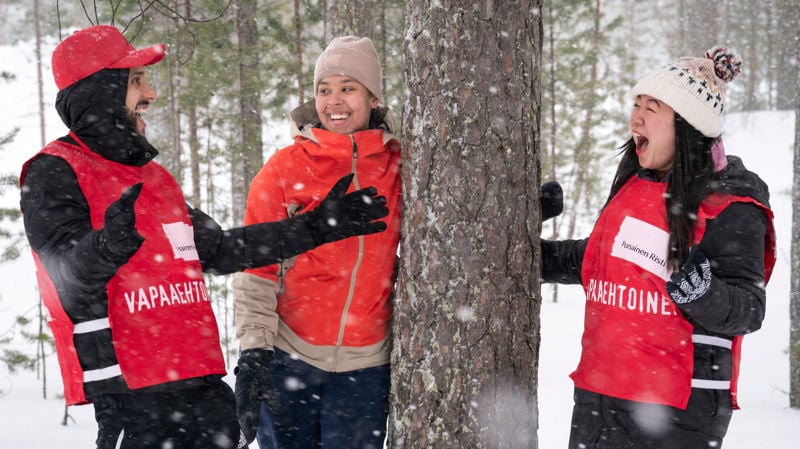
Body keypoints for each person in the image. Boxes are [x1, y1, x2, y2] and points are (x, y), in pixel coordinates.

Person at [20, 25, 389, 449]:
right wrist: (104, 248)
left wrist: (319, 226)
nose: (151, 94)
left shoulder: (154, 179)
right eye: (136, 81)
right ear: (99, 90)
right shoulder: (54, 169)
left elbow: (224, 250)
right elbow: (64, 274)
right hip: (132, 395)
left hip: (200, 388)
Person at [540, 46, 776, 449]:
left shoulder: (730, 203)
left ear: (687, 125)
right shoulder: (636, 184)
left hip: (678, 410)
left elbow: (748, 310)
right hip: (600, 397)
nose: (636, 117)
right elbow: (600, 260)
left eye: (652, 107)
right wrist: (518, 245)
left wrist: (703, 292)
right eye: (636, 104)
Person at [232, 36, 401, 449]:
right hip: (292, 357)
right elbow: (256, 267)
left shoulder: (401, 164)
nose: (334, 101)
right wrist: (255, 351)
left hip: (367, 366)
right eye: (324, 90)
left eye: (348, 88)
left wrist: (521, 209)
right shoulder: (286, 168)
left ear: (373, 97)